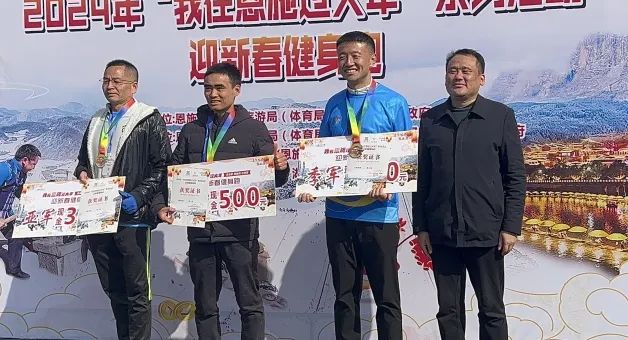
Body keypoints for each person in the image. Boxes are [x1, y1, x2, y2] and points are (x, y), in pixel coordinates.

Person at [298, 31, 412, 340]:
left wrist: (390, 183)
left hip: (379, 214)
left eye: (355, 56)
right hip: (339, 214)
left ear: (372, 59)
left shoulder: (394, 102)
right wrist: (311, 185)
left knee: (387, 296)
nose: (348, 62)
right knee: (344, 295)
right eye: (342, 57)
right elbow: (322, 154)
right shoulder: (335, 104)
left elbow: (406, 157)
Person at [166, 62, 289, 340]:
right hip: (201, 232)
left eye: (220, 88)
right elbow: (173, 172)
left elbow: (273, 180)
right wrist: (164, 202)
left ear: (236, 90)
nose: (213, 94)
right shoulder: (191, 130)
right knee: (206, 306)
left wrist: (280, 168)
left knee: (249, 303)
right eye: (208, 88)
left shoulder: (254, 129)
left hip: (239, 232)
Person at [412, 49, 526, 340]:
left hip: (486, 232)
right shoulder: (431, 119)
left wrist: (511, 227)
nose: (458, 76)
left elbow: (515, 176)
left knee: (491, 309)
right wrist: (421, 226)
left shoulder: (500, 116)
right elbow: (422, 178)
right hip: (442, 232)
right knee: (448, 311)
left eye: (466, 71)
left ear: (481, 78)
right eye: (452, 71)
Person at [74, 59, 171, 340]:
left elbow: (161, 166)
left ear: (133, 86)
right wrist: (81, 172)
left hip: (132, 218)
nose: (110, 86)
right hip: (99, 217)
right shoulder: (97, 120)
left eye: (117, 81)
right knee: (113, 288)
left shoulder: (148, 118)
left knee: (137, 292)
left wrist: (139, 197)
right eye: (106, 80)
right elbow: (83, 162)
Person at [0, 144, 41, 279]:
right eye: (33, 164)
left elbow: (17, 190)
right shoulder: (4, 170)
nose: (34, 167)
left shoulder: (22, 173)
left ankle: (14, 269)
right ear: (25, 160)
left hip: (5, 213)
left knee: (16, 237)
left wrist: (33, 200)